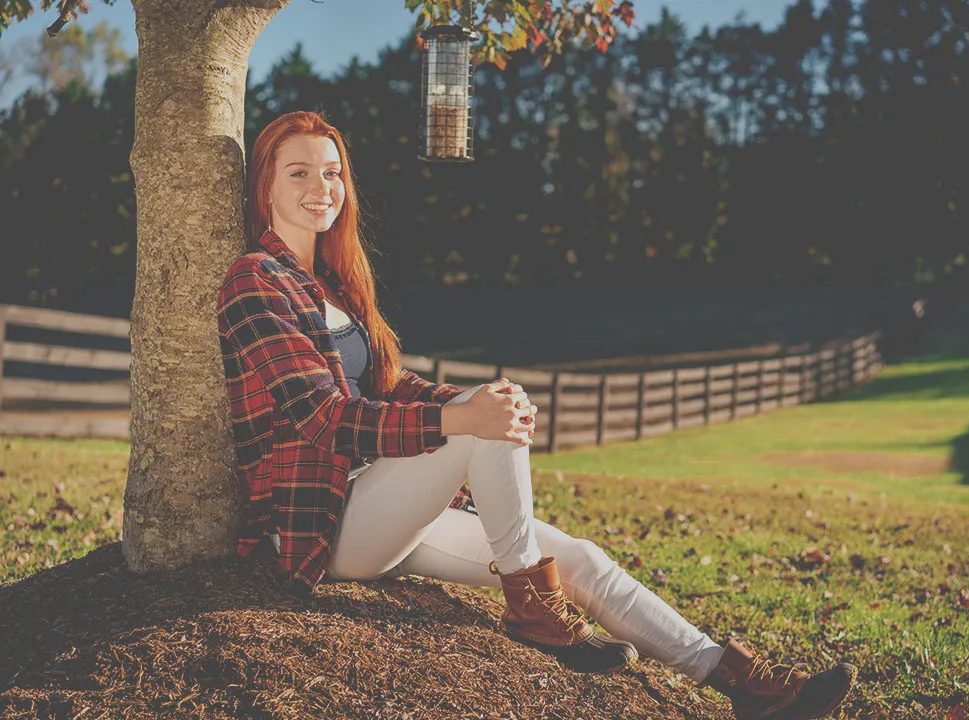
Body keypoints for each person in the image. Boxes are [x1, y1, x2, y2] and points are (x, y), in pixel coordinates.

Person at [215, 111, 857, 720]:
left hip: (382, 505)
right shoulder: (256, 279)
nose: (320, 187)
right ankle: (533, 604)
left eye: (331, 172)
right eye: (297, 172)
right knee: (480, 423)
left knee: (580, 556)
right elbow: (324, 417)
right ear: (264, 186)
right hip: (320, 523)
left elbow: (383, 386)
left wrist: (469, 401)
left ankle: (738, 682)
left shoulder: (331, 281)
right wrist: (466, 419)